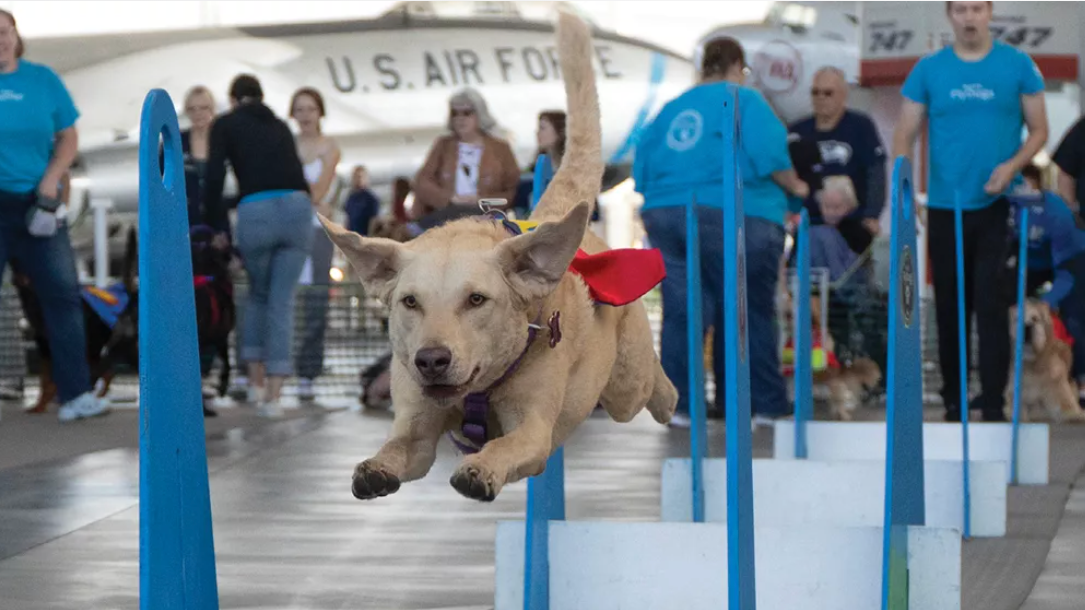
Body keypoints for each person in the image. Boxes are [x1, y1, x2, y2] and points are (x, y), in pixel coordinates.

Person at [634, 36, 809, 429]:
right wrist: (798, 188)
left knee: (684, 311)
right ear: (737, 66)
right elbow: (770, 157)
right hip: (734, 212)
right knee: (745, 309)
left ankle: (681, 407)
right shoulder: (744, 99)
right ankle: (756, 404)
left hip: (665, 214)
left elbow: (641, 173)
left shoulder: (671, 110)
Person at [892, 0, 1048, 422]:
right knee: (950, 307)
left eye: (977, 8)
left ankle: (993, 403)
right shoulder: (929, 69)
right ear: (950, 15)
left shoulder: (1017, 65)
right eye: (960, 9)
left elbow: (1039, 131)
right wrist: (907, 197)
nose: (969, 17)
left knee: (991, 305)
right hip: (945, 206)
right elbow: (904, 136)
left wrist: (1012, 167)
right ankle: (954, 402)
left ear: (989, 12)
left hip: (996, 205)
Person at [0, 8, 109, 422]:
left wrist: (53, 178)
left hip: (38, 205)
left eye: (5, 32)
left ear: (15, 35)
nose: (0, 40)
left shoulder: (43, 80)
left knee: (63, 297)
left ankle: (76, 394)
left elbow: (68, 135)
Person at [204, 74, 314, 417]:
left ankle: (254, 385)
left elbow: (214, 176)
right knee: (282, 301)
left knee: (256, 295)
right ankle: (275, 397)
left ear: (234, 99)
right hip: (298, 207)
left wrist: (217, 222)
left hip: (257, 212)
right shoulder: (280, 125)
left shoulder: (224, 124)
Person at [789, 66, 887, 267]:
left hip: (851, 224)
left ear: (843, 95)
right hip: (808, 222)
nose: (821, 98)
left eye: (828, 93)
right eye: (815, 92)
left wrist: (871, 215)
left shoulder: (860, 126)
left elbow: (876, 172)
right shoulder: (797, 131)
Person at [1008, 164, 1085, 396]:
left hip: (1067, 260)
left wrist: (1047, 301)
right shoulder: (1005, 207)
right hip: (1024, 263)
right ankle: (1003, 383)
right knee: (1002, 310)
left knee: (1074, 316)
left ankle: (1079, 381)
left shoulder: (1056, 212)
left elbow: (1067, 274)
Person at [290, 87, 342, 401]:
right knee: (288, 302)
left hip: (318, 232)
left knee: (315, 303)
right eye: (300, 109)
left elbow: (318, 191)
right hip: (291, 228)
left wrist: (303, 194)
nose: (306, 115)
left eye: (310, 109)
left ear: (320, 112)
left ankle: (308, 371)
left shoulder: (330, 147)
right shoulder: (287, 145)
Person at [412, 87, 520, 226]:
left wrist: (480, 200)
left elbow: (512, 191)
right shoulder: (443, 145)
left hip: (485, 214)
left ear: (480, 115)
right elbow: (422, 182)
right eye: (455, 113)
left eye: (466, 113)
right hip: (448, 212)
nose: (460, 118)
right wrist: (450, 198)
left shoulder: (500, 148)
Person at [343, 166, 381, 236]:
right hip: (351, 237)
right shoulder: (350, 197)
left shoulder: (371, 199)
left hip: (364, 238)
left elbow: (374, 222)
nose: (357, 179)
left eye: (360, 177)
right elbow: (348, 219)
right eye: (355, 177)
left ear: (366, 178)